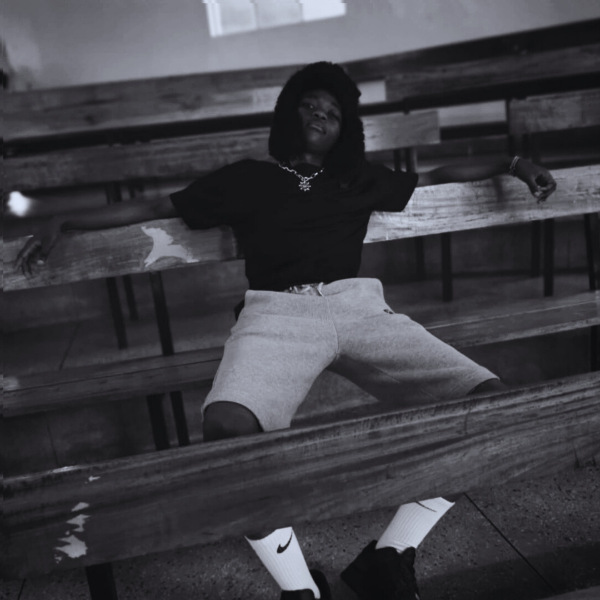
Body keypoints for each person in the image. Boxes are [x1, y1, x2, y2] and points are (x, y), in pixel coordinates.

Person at [16, 62, 556, 600]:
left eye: (333, 112)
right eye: (309, 105)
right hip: (276, 314)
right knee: (227, 431)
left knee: (490, 400)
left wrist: (515, 163)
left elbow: (437, 176)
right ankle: (300, 590)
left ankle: (390, 556)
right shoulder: (247, 178)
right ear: (286, 116)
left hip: (358, 307)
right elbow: (157, 204)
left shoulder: (356, 177)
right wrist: (65, 219)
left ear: (345, 130)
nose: (320, 114)